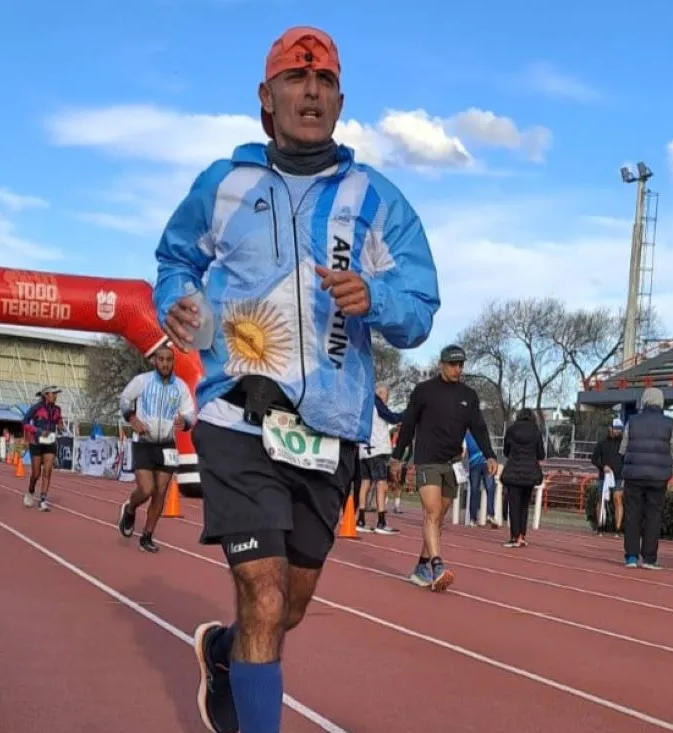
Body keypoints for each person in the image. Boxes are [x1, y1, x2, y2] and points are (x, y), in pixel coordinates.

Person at [153, 25, 439, 733]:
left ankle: (223, 652)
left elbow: (421, 305)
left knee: (289, 605)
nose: (310, 91)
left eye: (324, 82)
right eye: (295, 78)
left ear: (340, 101)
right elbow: (173, 259)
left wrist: (377, 298)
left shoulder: (376, 198)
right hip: (236, 416)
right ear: (266, 97)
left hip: (329, 432)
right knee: (262, 588)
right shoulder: (225, 184)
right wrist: (175, 302)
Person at [390, 345, 497, 590]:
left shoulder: (468, 396)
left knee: (439, 519)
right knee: (431, 512)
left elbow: (478, 427)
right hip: (427, 460)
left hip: (453, 463)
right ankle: (437, 566)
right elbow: (407, 426)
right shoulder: (423, 391)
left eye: (461, 365)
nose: (457, 369)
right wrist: (398, 457)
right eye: (452, 364)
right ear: (441, 364)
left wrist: (490, 455)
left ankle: (421, 566)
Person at [116, 346, 196, 553]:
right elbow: (124, 399)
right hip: (144, 441)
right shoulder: (142, 381)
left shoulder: (180, 387)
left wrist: (184, 421)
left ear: (173, 362)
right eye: (161, 359)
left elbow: (190, 412)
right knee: (146, 489)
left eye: (169, 359)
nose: (165, 363)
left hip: (167, 444)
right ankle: (130, 508)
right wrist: (132, 418)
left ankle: (147, 535)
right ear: (154, 361)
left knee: (161, 492)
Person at [619, 387, 673, 569]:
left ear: (644, 401)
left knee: (632, 515)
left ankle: (631, 556)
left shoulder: (632, 421)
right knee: (653, 515)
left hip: (634, 475)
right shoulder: (669, 423)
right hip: (659, 476)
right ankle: (650, 558)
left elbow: (623, 447)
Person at [356, 384, 402, 535]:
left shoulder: (364, 405)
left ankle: (360, 520)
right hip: (377, 449)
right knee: (381, 483)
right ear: (381, 393)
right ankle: (381, 521)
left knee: (365, 482)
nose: (387, 399)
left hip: (364, 449)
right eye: (386, 395)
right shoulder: (377, 404)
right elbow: (392, 418)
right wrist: (407, 414)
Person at [500, 408, 546, 548]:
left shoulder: (511, 430)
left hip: (513, 471)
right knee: (524, 505)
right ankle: (522, 535)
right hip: (530, 473)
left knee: (514, 505)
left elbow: (506, 451)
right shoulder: (536, 431)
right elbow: (541, 454)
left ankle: (514, 536)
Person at [23, 386, 64, 511]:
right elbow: (24, 422)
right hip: (36, 443)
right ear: (46, 395)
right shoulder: (36, 408)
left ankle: (43, 500)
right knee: (36, 473)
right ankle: (30, 491)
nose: (56, 396)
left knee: (47, 471)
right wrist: (38, 431)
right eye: (53, 393)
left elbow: (59, 421)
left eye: (57, 394)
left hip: (50, 443)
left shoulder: (57, 409)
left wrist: (61, 425)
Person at [590, 418, 625, 534]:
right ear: (610, 428)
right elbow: (593, 459)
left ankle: (618, 529)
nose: (617, 432)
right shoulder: (602, 443)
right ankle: (600, 526)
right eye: (616, 429)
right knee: (601, 499)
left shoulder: (623, 444)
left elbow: (627, 459)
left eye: (620, 429)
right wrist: (602, 466)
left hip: (619, 476)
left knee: (617, 499)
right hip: (603, 476)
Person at [464, 430, 499, 528]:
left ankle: (473, 519)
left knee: (475, 491)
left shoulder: (465, 436)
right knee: (490, 488)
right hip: (486, 463)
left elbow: (463, 452)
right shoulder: (483, 433)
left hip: (475, 465)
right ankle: (490, 514)